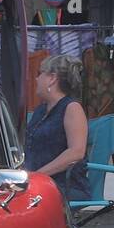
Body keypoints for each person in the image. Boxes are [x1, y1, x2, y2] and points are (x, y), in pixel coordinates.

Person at [24, 54, 89, 201]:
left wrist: (37, 176)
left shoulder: (72, 108)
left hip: (65, 185)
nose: (36, 79)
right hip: (38, 182)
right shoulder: (40, 110)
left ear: (52, 79)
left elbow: (76, 152)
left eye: (40, 74)